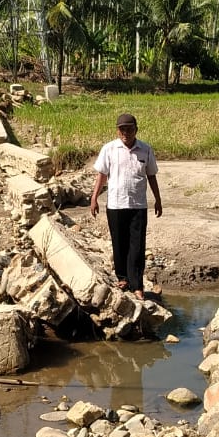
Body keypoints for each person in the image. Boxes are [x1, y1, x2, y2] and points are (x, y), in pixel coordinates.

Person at [90, 113, 162, 300]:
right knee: (119, 242)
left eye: (129, 129)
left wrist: (158, 200)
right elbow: (102, 176)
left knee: (137, 245)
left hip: (138, 205)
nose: (126, 133)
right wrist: (94, 198)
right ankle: (122, 278)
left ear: (136, 130)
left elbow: (151, 175)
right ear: (117, 130)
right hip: (115, 204)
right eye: (122, 129)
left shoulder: (145, 149)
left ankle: (137, 284)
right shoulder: (109, 149)